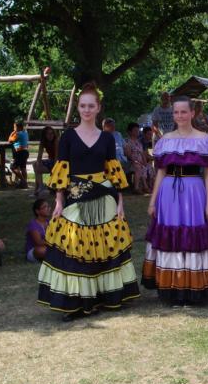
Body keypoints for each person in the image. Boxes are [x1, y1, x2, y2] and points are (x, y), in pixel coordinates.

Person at [40, 82, 140, 321]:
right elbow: (61, 170)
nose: (86, 110)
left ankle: (106, 297)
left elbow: (113, 171)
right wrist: (58, 201)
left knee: (104, 247)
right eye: (83, 105)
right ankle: (77, 302)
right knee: (76, 247)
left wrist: (121, 202)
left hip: (105, 197)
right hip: (76, 197)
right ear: (78, 107)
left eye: (91, 106)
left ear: (98, 108)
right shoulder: (67, 137)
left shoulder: (106, 138)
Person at [143, 96, 208, 306]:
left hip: (194, 190)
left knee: (192, 232)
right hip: (168, 192)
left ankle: (193, 287)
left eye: (184, 112)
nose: (179, 116)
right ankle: (173, 288)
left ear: (192, 113)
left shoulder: (204, 139)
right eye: (176, 112)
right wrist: (152, 201)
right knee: (171, 233)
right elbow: (160, 173)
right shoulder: (165, 140)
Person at [125, 122, 155, 194]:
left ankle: (149, 185)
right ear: (130, 131)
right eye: (135, 130)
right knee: (138, 167)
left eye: (138, 130)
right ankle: (137, 188)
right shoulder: (127, 141)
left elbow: (142, 154)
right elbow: (128, 154)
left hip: (140, 161)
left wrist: (144, 162)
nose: (137, 132)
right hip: (131, 162)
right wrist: (136, 161)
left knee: (149, 166)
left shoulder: (138, 142)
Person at [32, 126, 59, 195]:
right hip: (51, 161)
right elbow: (39, 156)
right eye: (48, 134)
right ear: (44, 135)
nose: (50, 135)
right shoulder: (43, 142)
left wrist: (55, 169)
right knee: (35, 164)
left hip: (58, 162)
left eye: (52, 133)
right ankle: (40, 187)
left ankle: (38, 188)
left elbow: (57, 156)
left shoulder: (56, 141)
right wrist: (38, 163)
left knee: (37, 169)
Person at [26, 199, 50, 263]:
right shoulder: (33, 224)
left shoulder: (50, 223)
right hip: (35, 250)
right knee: (42, 250)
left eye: (48, 207)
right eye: (44, 207)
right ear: (37, 211)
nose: (48, 209)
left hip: (49, 247)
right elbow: (39, 242)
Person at [8, 120, 30, 188]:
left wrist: (12, 132)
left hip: (20, 153)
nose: (14, 128)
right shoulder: (25, 132)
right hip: (25, 152)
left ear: (18, 127)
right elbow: (17, 142)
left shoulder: (18, 134)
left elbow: (9, 140)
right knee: (23, 168)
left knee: (13, 167)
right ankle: (24, 183)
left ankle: (23, 181)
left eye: (14, 127)